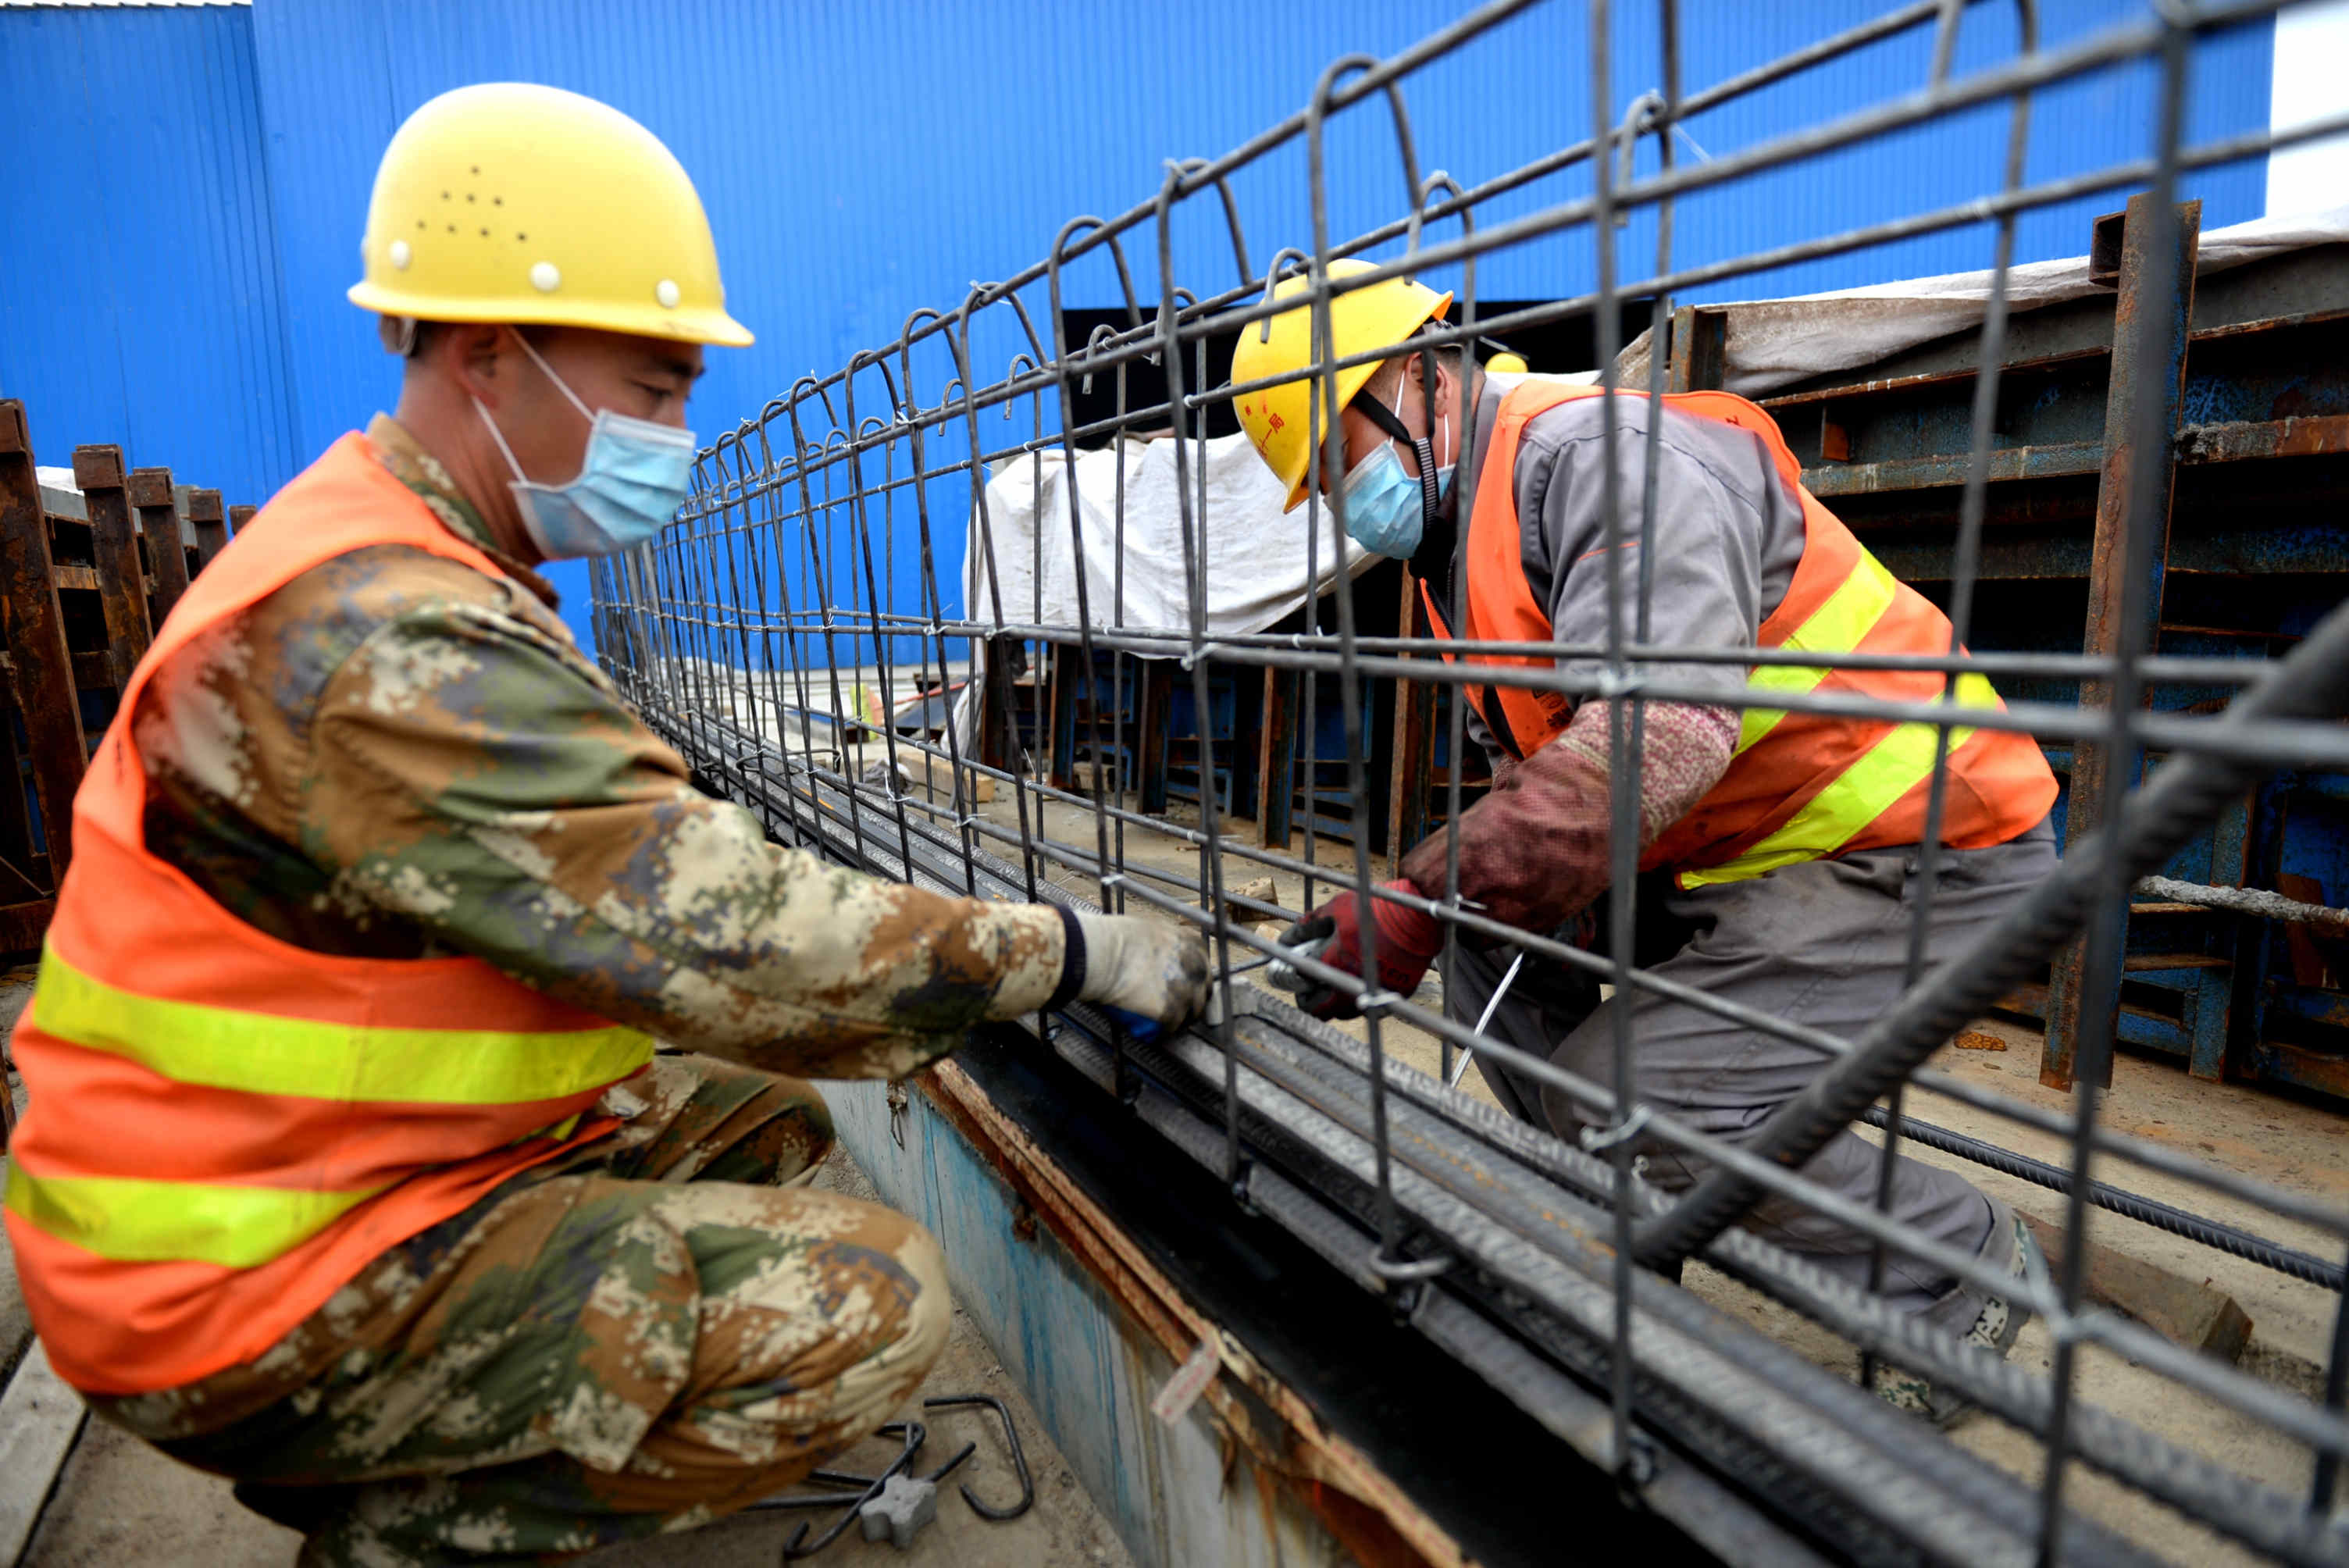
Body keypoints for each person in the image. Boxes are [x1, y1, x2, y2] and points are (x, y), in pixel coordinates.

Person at [2, 83, 1207, 1563]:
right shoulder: (393, 637)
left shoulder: (400, 548)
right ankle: (400, 1523)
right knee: (876, 1299)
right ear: (490, 357)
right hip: (224, 1274)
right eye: (650, 390)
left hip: (295, 1174)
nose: (675, 436)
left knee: (761, 1115)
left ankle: (446, 1418)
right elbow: (747, 947)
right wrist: (1074, 951)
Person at [1231, 259, 2058, 1424]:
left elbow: (1662, 730)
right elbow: (1546, 763)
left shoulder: (1603, 462)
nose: (1346, 499)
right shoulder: (1456, 547)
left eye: (1341, 459)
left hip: (1923, 843)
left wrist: (1419, 897)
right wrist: (1446, 905)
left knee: (1634, 1096)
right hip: (1749, 842)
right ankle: (1622, 1229)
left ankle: (1956, 1269)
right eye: (1321, 486)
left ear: (1418, 375)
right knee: (1489, 945)